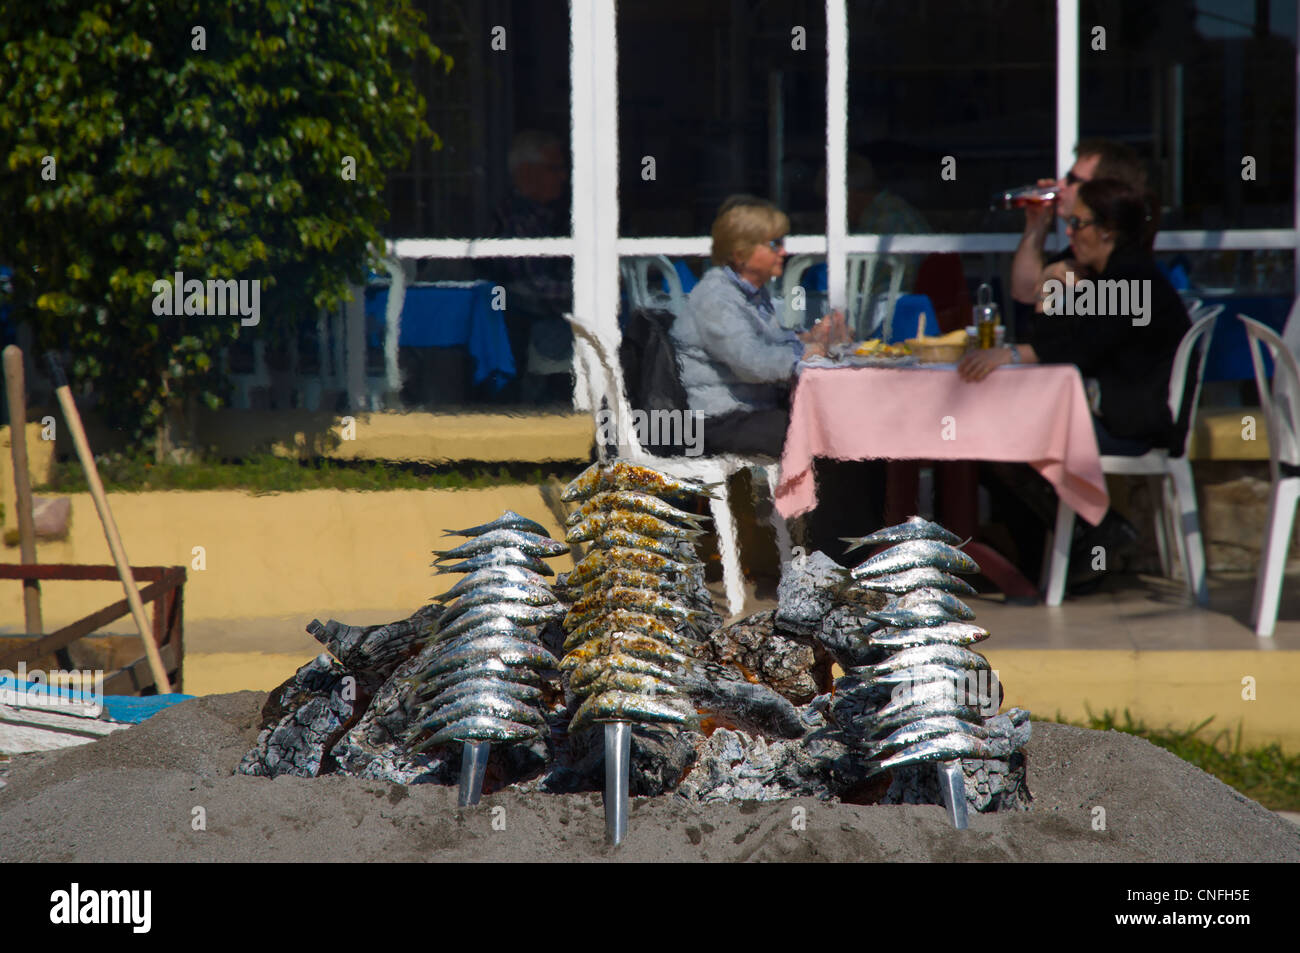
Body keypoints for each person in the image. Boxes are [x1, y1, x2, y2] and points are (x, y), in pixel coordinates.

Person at [960, 178, 1191, 580]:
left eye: (1077, 223)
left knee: (997, 442)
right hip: (1116, 413)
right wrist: (1056, 279)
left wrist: (1009, 354)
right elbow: (1052, 333)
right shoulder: (1107, 274)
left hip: (1132, 425)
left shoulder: (1130, 279)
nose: (1069, 232)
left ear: (1107, 230)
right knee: (992, 439)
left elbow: (1075, 348)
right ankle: (1049, 557)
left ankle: (1088, 534)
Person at [672, 194, 847, 457]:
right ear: (741, 252)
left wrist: (809, 338)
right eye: (774, 244)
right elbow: (752, 362)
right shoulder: (716, 297)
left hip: (747, 410)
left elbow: (768, 345)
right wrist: (804, 352)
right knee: (822, 432)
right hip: (715, 420)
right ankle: (826, 499)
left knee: (840, 420)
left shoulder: (750, 292)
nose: (783, 251)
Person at [1009, 139, 1150, 341]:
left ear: (1102, 193)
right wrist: (1036, 224)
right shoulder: (1090, 250)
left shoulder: (1123, 267)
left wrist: (1050, 284)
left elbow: (1049, 347)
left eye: (1072, 179)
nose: (1060, 185)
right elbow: (1025, 294)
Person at [493, 130, 573, 404]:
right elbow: (534, 289)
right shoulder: (517, 219)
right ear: (526, 173)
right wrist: (591, 290)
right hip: (527, 337)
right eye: (555, 169)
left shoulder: (547, 215)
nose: (563, 177)